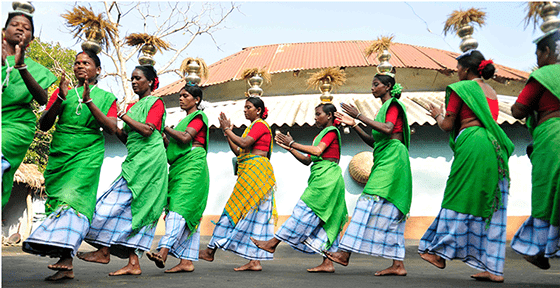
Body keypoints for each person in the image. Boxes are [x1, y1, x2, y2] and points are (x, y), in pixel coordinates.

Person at [418, 49, 514, 282]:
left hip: (472, 142)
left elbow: (448, 125)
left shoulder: (461, 89)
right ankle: (492, 269)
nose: (456, 71)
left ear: (467, 69)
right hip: (494, 147)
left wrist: (437, 114)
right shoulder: (490, 91)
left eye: (458, 67)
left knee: (457, 195)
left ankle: (439, 252)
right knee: (492, 204)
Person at [21, 50, 118, 281]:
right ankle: (67, 263)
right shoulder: (62, 92)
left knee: (72, 199)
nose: (80, 66)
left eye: (86, 63)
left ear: (98, 70)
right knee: (58, 201)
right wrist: (61, 99)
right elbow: (44, 125)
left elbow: (112, 128)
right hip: (61, 153)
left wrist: (90, 102)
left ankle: (66, 259)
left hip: (87, 154)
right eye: (77, 63)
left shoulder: (106, 97)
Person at [77, 65, 168, 276]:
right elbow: (127, 138)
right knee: (129, 210)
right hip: (135, 162)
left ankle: (105, 250)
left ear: (151, 81)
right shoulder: (132, 106)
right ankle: (129, 261)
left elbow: (147, 131)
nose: (134, 82)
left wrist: (123, 116)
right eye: (132, 79)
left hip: (150, 164)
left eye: (138, 78)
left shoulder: (156, 103)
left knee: (122, 206)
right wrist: (111, 121)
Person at [326, 73, 412, 277]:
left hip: (393, 158)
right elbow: (375, 141)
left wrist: (359, 116)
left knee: (367, 199)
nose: (372, 88)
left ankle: (345, 253)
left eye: (376, 85)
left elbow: (388, 128)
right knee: (391, 210)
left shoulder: (392, 105)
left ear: (388, 86)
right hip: (386, 156)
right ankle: (398, 265)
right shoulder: (382, 109)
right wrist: (354, 124)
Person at [251, 103, 348, 273]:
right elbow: (307, 160)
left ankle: (273, 243)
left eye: (318, 114)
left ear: (330, 115)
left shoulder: (332, 131)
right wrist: (289, 148)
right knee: (329, 220)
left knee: (303, 210)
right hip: (325, 178)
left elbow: (317, 151)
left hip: (327, 181)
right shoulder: (321, 134)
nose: (315, 117)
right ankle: (328, 262)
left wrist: (293, 143)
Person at [199, 97, 276, 271]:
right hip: (253, 174)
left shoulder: (260, 125)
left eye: (248, 107)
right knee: (253, 215)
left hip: (256, 174)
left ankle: (211, 251)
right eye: (245, 107)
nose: (245, 110)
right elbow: (239, 150)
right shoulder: (252, 127)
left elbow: (244, 143)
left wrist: (227, 129)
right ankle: (254, 261)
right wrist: (228, 134)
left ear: (258, 110)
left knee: (234, 210)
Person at [146, 84, 210, 273]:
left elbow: (184, 138)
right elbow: (172, 145)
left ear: (196, 100)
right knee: (189, 213)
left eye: (185, 96)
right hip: (179, 168)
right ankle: (186, 261)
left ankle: (163, 252)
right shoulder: (184, 120)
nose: (180, 99)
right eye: (180, 96)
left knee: (178, 209)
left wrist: (164, 127)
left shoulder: (198, 117)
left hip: (193, 169)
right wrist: (162, 135)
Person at [510, 29, 560, 269]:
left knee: (547, 190)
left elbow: (518, 110)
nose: (537, 59)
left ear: (547, 51)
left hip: (553, 137)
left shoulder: (544, 75)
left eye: (537, 54)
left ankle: (539, 248)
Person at [2, 9, 57, 207]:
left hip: (15, 126)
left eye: (26, 28)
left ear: (31, 39)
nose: (20, 29)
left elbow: (42, 99)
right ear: (4, 30)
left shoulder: (36, 69)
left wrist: (21, 66)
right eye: (15, 25)